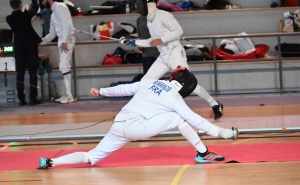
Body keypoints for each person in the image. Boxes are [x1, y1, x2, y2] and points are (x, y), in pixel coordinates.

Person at [39, 66, 238, 169]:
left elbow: (124, 88)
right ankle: (203, 153)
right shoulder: (175, 98)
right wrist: (223, 132)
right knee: (179, 119)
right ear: (186, 86)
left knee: (91, 156)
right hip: (136, 127)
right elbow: (196, 120)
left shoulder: (150, 82)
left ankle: (50, 162)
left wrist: (100, 91)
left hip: (119, 124)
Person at [125, 0, 223, 120]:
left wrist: (162, 39)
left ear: (148, 4)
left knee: (188, 84)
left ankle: (215, 104)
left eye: (139, 4)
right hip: (164, 56)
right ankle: (140, 112)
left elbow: (178, 31)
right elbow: (153, 40)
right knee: (145, 82)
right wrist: (135, 42)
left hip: (175, 54)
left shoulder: (164, 15)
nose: (138, 7)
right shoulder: (150, 20)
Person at [6, 0, 42, 106]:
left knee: (20, 73)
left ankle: (21, 99)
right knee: (32, 72)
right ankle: (33, 97)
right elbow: (36, 8)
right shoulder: (25, 15)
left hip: (19, 47)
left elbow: (21, 21)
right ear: (20, 4)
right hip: (30, 46)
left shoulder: (9, 18)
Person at [40, 0, 76, 104]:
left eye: (43, 0)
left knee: (64, 66)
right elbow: (52, 34)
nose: (42, 3)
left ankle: (69, 96)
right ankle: (68, 94)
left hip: (67, 39)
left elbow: (66, 25)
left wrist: (64, 41)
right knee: (64, 67)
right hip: (62, 40)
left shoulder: (61, 6)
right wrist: (39, 42)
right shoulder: (53, 13)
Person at [136, 0, 159, 75]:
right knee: (146, 80)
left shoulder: (160, 17)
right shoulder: (139, 19)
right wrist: (139, 45)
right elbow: (140, 36)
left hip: (157, 55)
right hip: (145, 55)